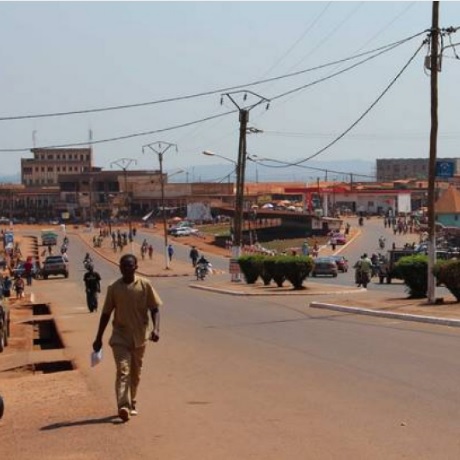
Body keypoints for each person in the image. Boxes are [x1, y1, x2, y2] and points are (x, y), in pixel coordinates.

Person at [92, 254, 162, 422]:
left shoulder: (145, 285)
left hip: (139, 338)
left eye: (129, 266)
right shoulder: (114, 288)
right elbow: (106, 314)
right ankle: (123, 405)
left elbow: (155, 308)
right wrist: (98, 338)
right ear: (120, 268)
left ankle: (132, 402)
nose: (126, 269)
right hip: (120, 338)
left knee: (135, 374)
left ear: (136, 267)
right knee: (123, 371)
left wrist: (156, 329)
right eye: (123, 266)